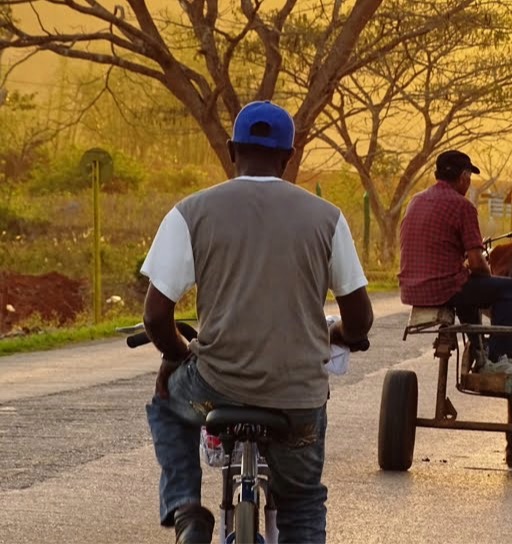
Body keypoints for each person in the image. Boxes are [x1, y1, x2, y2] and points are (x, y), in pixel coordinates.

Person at [140, 100, 373, 544]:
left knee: (168, 402)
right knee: (302, 500)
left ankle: (186, 508)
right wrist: (340, 334)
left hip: (216, 385)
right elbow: (359, 320)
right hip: (297, 397)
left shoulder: (191, 211)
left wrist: (178, 354)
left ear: (232, 150)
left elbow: (155, 316)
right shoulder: (328, 218)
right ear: (288, 157)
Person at [398, 150, 512, 369]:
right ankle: (500, 359)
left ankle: (478, 346)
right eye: (469, 178)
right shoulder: (463, 206)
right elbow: (476, 262)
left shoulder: (416, 200)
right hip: (443, 288)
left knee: (466, 284)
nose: (469, 183)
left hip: (410, 288)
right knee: (507, 288)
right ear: (463, 177)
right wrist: (487, 275)